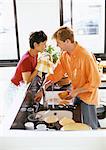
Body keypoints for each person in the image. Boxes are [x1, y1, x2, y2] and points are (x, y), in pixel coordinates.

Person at [35, 26, 101, 129]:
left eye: (59, 42)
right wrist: (43, 87)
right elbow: (56, 73)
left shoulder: (85, 56)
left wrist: (77, 91)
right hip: (76, 93)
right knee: (76, 122)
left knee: (90, 127)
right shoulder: (64, 55)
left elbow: (95, 83)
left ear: (67, 41)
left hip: (88, 96)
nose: (57, 45)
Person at [4, 31, 47, 113]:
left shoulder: (35, 54)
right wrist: (39, 67)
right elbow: (27, 80)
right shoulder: (26, 59)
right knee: (15, 115)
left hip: (20, 88)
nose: (45, 46)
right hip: (14, 91)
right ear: (35, 45)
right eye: (44, 44)